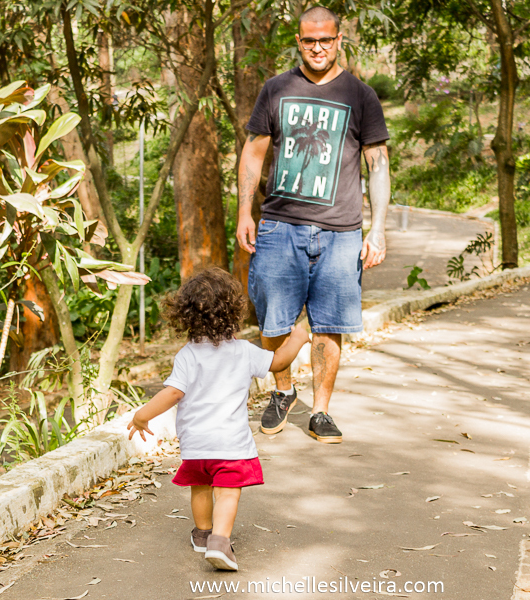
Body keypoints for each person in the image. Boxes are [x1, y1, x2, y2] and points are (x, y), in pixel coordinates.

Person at [236, 5, 391, 444]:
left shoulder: (361, 96)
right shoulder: (276, 89)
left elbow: (378, 165)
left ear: (340, 40)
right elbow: (253, 152)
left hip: (341, 231)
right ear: (298, 41)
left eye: (326, 40)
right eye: (309, 41)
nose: (318, 48)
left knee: (330, 325)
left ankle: (320, 411)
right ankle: (283, 393)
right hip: (279, 226)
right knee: (273, 320)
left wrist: (377, 228)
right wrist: (244, 212)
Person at [127, 268, 309, 571]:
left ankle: (203, 534)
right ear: (233, 311)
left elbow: (172, 393)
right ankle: (220, 542)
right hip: (230, 443)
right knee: (226, 493)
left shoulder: (187, 355)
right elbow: (278, 361)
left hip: (196, 444)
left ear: (185, 315)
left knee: (200, 487)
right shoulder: (243, 351)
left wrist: (142, 415)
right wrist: (298, 339)